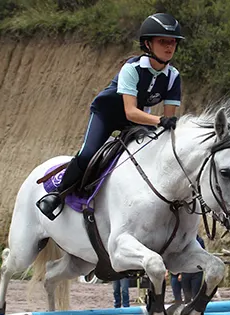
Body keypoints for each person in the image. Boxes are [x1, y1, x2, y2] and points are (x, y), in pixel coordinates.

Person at [37, 13, 185, 220]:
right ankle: (57, 195)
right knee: (88, 154)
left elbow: (169, 121)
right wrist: (160, 121)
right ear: (147, 44)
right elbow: (131, 111)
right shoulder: (131, 69)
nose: (169, 47)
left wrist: (166, 126)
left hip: (139, 120)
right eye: (163, 42)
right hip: (107, 114)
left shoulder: (173, 77)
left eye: (173, 43)